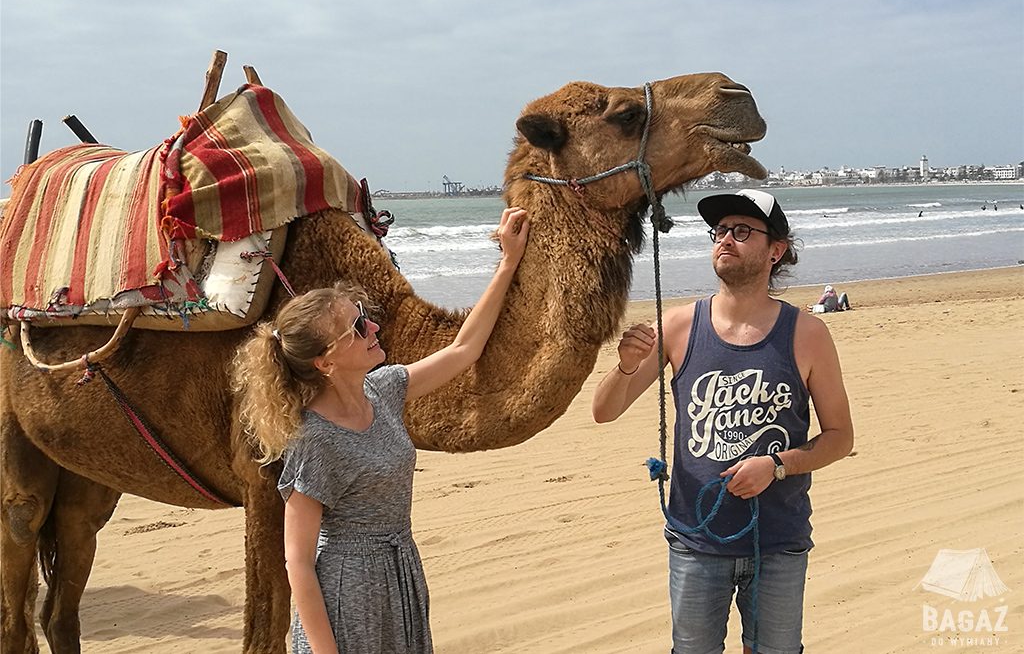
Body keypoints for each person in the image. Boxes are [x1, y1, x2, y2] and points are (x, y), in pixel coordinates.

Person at [232, 207, 529, 653]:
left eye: (363, 315)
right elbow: (297, 562)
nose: (371, 327)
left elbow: (465, 349)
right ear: (325, 362)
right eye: (355, 328)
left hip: (400, 575)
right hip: (347, 592)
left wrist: (507, 261)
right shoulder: (314, 442)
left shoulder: (384, 389)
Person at [592, 189, 854, 654]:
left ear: (776, 250)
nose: (725, 240)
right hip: (696, 540)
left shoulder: (808, 334)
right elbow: (604, 410)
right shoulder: (678, 326)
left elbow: (840, 437)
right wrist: (626, 365)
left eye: (741, 231)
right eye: (719, 232)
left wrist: (776, 467)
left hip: (778, 540)